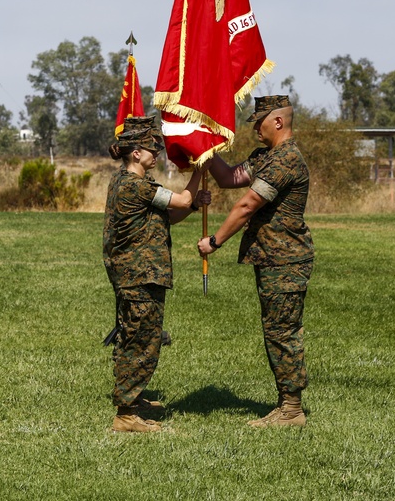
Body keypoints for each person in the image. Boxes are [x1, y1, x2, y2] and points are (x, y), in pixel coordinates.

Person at [197, 95, 315, 428]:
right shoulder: (267, 156)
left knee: (282, 332)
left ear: (277, 121)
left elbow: (247, 205)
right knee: (275, 330)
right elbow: (230, 178)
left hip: (286, 261)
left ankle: (291, 410)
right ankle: (286, 405)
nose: (254, 129)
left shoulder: (287, 160)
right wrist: (206, 152)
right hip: (272, 259)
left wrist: (215, 241)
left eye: (258, 122)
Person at [104, 116, 207, 433]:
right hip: (140, 275)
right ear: (135, 152)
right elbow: (182, 199)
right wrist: (201, 170)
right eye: (152, 148)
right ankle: (125, 414)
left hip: (138, 274)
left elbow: (169, 215)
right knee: (141, 341)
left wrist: (190, 207)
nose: (157, 154)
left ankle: (131, 399)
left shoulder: (127, 183)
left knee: (133, 337)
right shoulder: (135, 186)